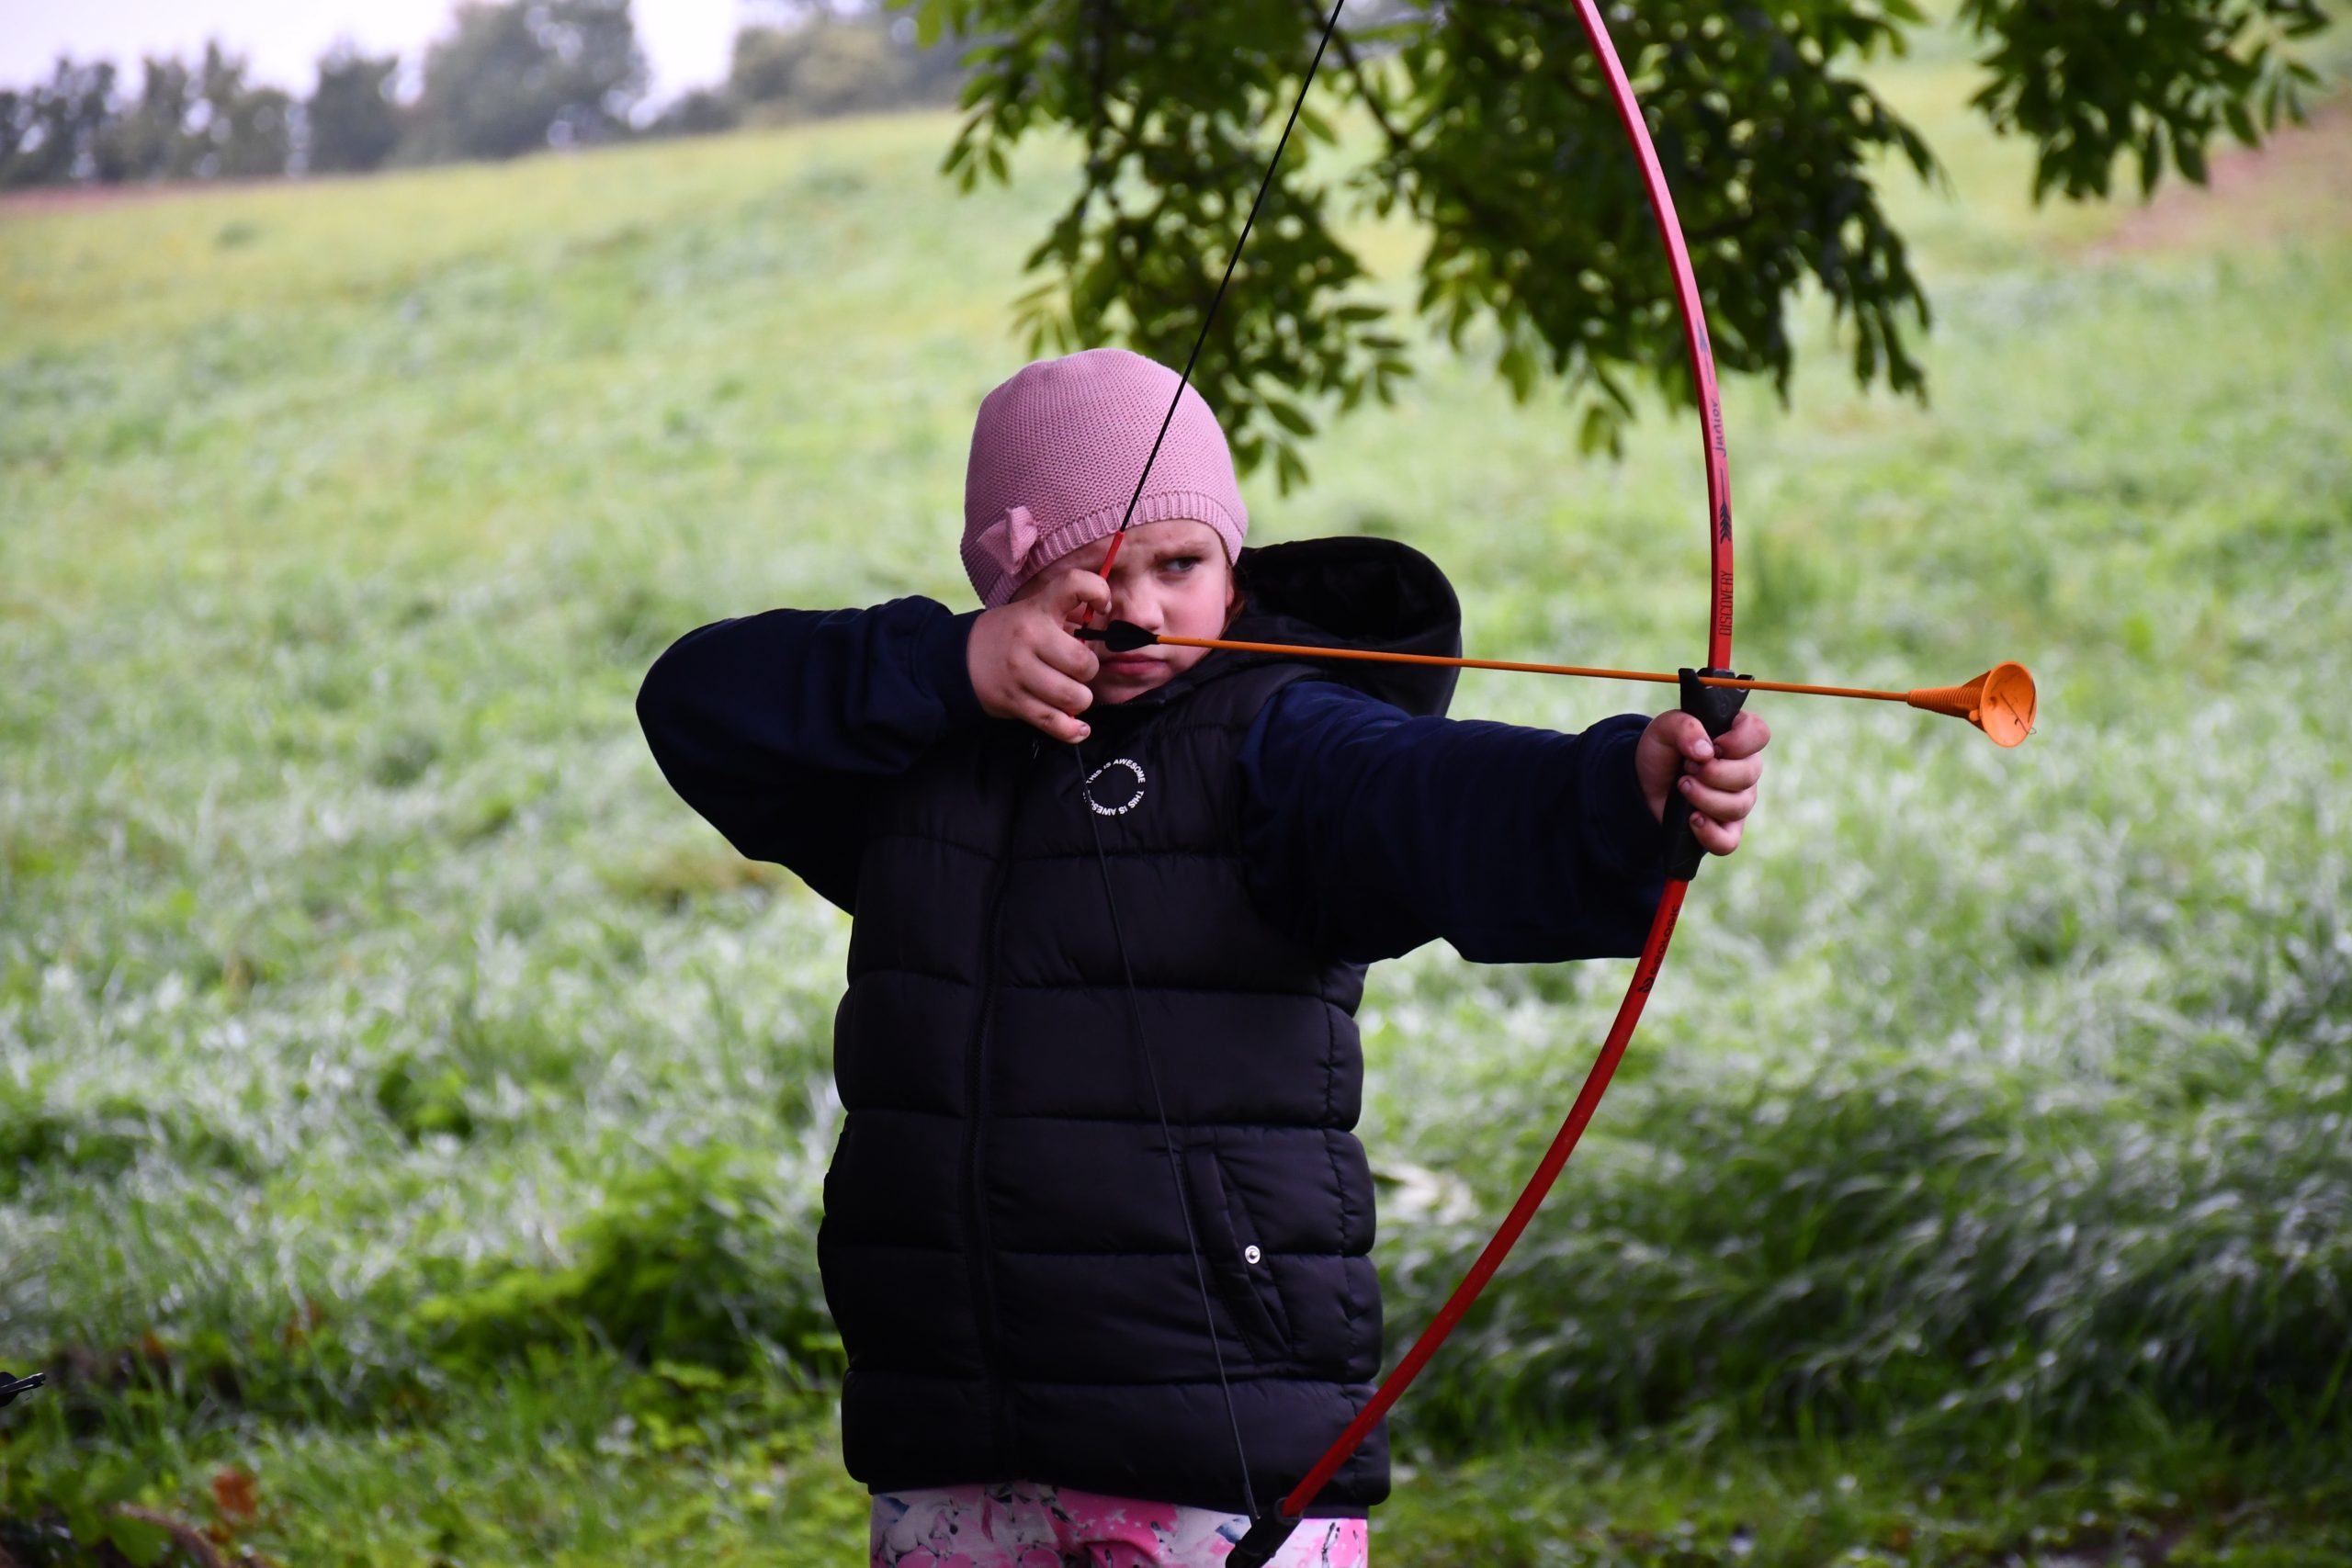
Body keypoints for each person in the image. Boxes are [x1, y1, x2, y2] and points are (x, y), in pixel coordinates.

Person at [634, 347, 1768, 1567]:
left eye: (1180, 566)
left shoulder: (1280, 741)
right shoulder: (920, 755)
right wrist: (947, 668)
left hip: (1216, 1448)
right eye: (1089, 574)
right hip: (950, 1438)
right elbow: (698, 703)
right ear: (1008, 586)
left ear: (1234, 568)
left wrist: (1620, 791)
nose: (1141, 608)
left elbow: (1435, 797)